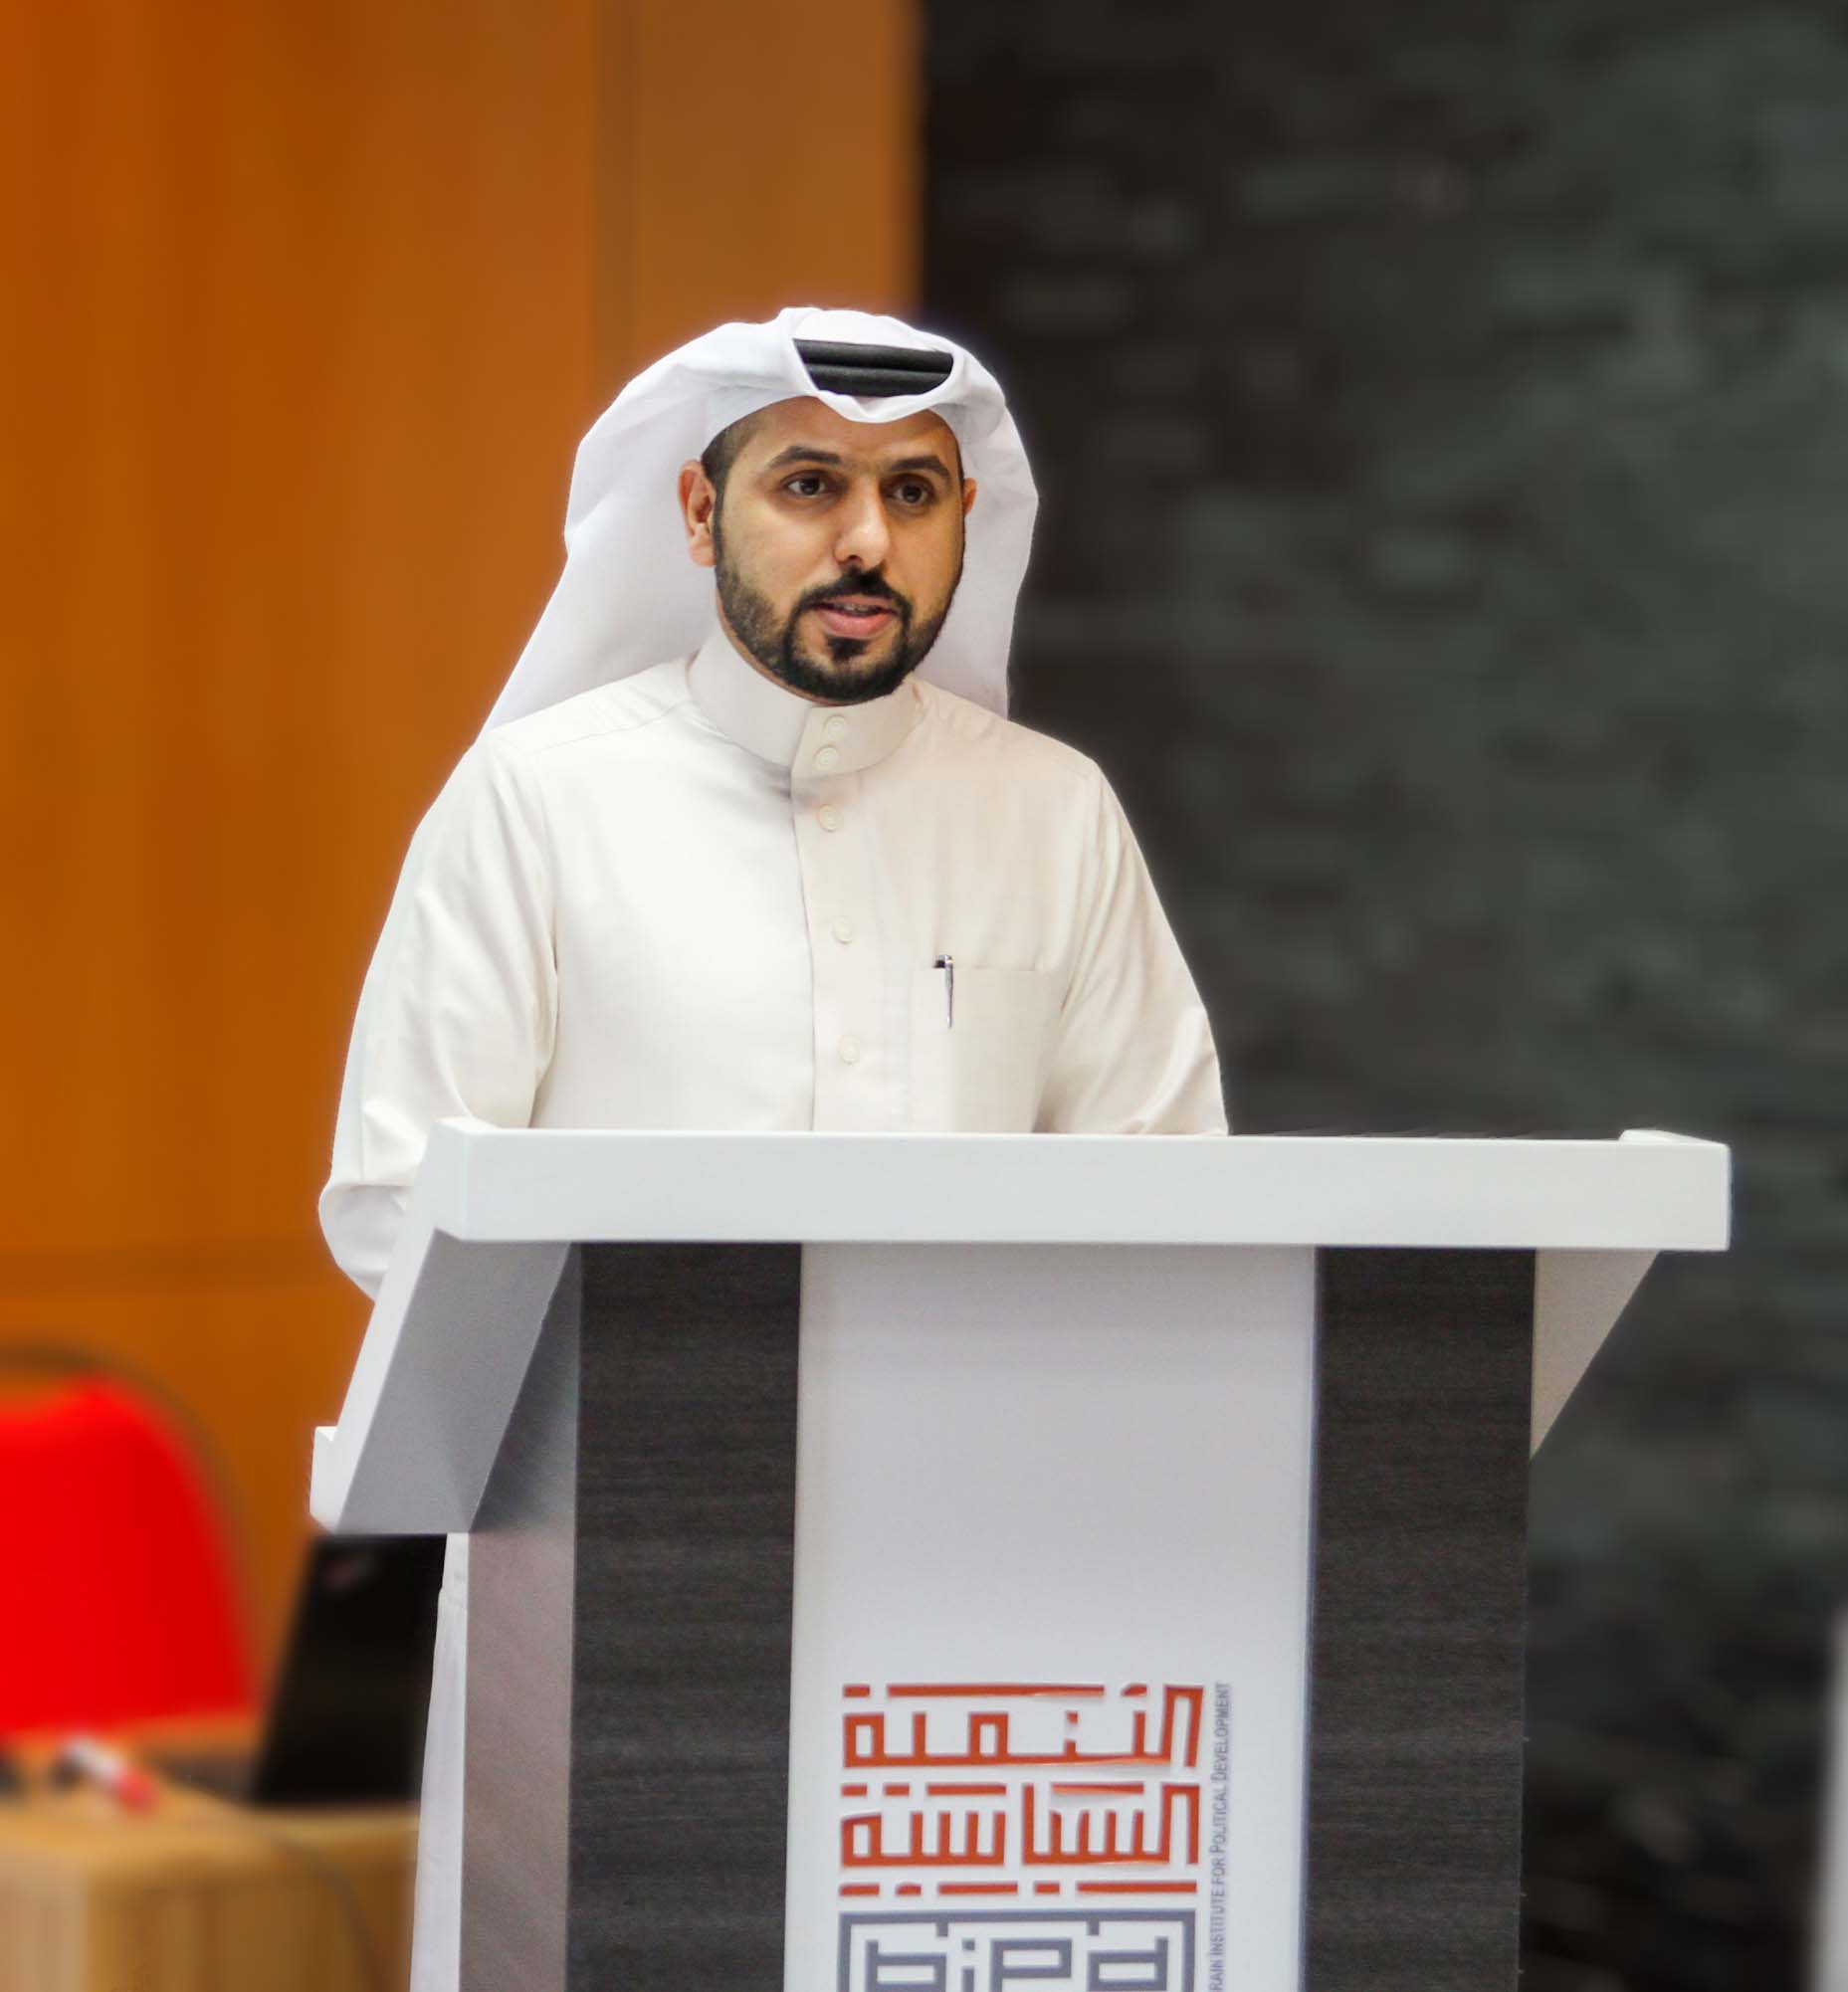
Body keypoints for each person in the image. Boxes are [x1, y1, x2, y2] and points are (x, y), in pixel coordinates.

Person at [318, 305, 1226, 1992]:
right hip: (611, 1573)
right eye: (811, 484)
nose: (866, 539)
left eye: (913, 493)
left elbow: (1170, 1185)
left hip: (987, 1592)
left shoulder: (1055, 814)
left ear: (964, 523)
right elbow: (397, 1195)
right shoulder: (537, 799)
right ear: (696, 513)